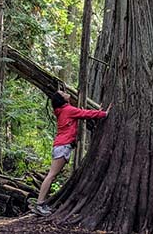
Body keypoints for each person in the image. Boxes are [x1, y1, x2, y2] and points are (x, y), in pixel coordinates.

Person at [31, 87, 110, 216]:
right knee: (51, 175)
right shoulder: (68, 110)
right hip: (63, 145)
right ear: (61, 100)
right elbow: (85, 114)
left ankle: (42, 204)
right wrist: (104, 114)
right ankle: (40, 204)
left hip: (61, 145)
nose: (66, 93)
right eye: (63, 93)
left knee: (52, 175)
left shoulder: (62, 110)